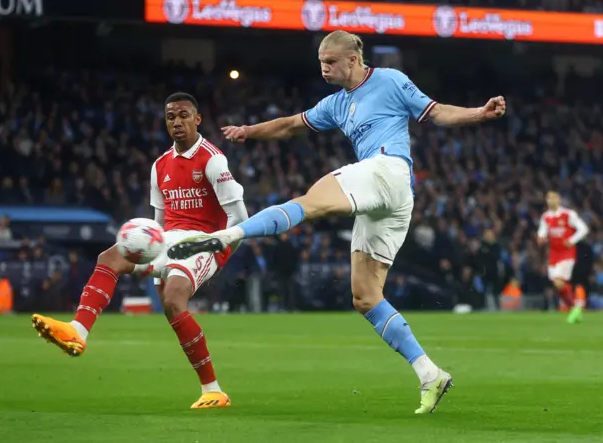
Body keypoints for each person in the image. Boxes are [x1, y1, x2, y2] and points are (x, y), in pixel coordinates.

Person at [169, 30, 506, 414]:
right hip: (390, 202)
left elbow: (437, 111)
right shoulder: (335, 104)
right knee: (365, 297)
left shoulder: (390, 80)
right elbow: (291, 124)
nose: (324, 68)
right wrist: (249, 131)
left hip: (387, 169)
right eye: (320, 62)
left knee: (310, 202)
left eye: (330, 61)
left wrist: (480, 113)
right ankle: (430, 373)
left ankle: (227, 235)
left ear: (352, 59)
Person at [31, 92, 248, 409]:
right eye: (171, 116)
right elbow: (159, 223)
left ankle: (213, 390)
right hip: (170, 239)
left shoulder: (213, 160)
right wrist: (150, 252)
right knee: (109, 257)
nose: (177, 121)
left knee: (174, 300)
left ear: (198, 119)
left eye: (184, 115)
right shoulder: (160, 166)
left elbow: (240, 219)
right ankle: (77, 331)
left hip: (205, 241)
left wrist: (219, 250)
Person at [537, 191, 589, 323]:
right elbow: (542, 230)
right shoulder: (545, 217)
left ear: (559, 200)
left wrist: (572, 240)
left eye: (553, 198)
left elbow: (583, 229)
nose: (551, 201)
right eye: (548, 198)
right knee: (558, 285)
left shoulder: (568, 214)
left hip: (566, 253)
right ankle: (575, 308)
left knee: (558, 281)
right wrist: (541, 236)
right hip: (553, 254)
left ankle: (575, 307)